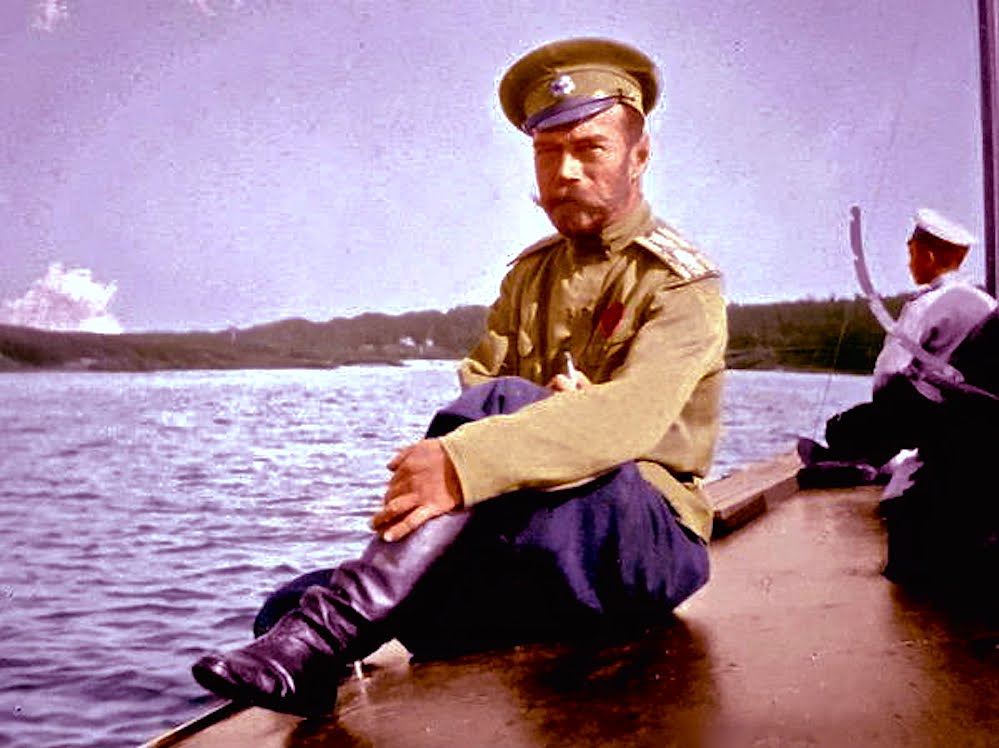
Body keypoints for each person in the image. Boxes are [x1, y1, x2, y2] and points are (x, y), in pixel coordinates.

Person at [191, 37, 727, 718]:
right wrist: (515, 434)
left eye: (589, 148)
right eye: (546, 151)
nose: (564, 171)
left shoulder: (679, 283)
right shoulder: (530, 276)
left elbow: (630, 417)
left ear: (638, 157)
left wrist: (477, 451)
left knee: (505, 402)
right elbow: (473, 392)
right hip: (544, 540)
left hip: (644, 545)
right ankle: (325, 641)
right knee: (286, 603)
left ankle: (333, 629)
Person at [797, 208, 997, 487]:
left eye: (912, 254)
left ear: (928, 257)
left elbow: (887, 375)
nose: (909, 263)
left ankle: (869, 463)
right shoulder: (988, 304)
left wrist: (884, 410)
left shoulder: (924, 305)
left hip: (922, 416)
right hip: (970, 419)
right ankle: (882, 459)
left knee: (840, 427)